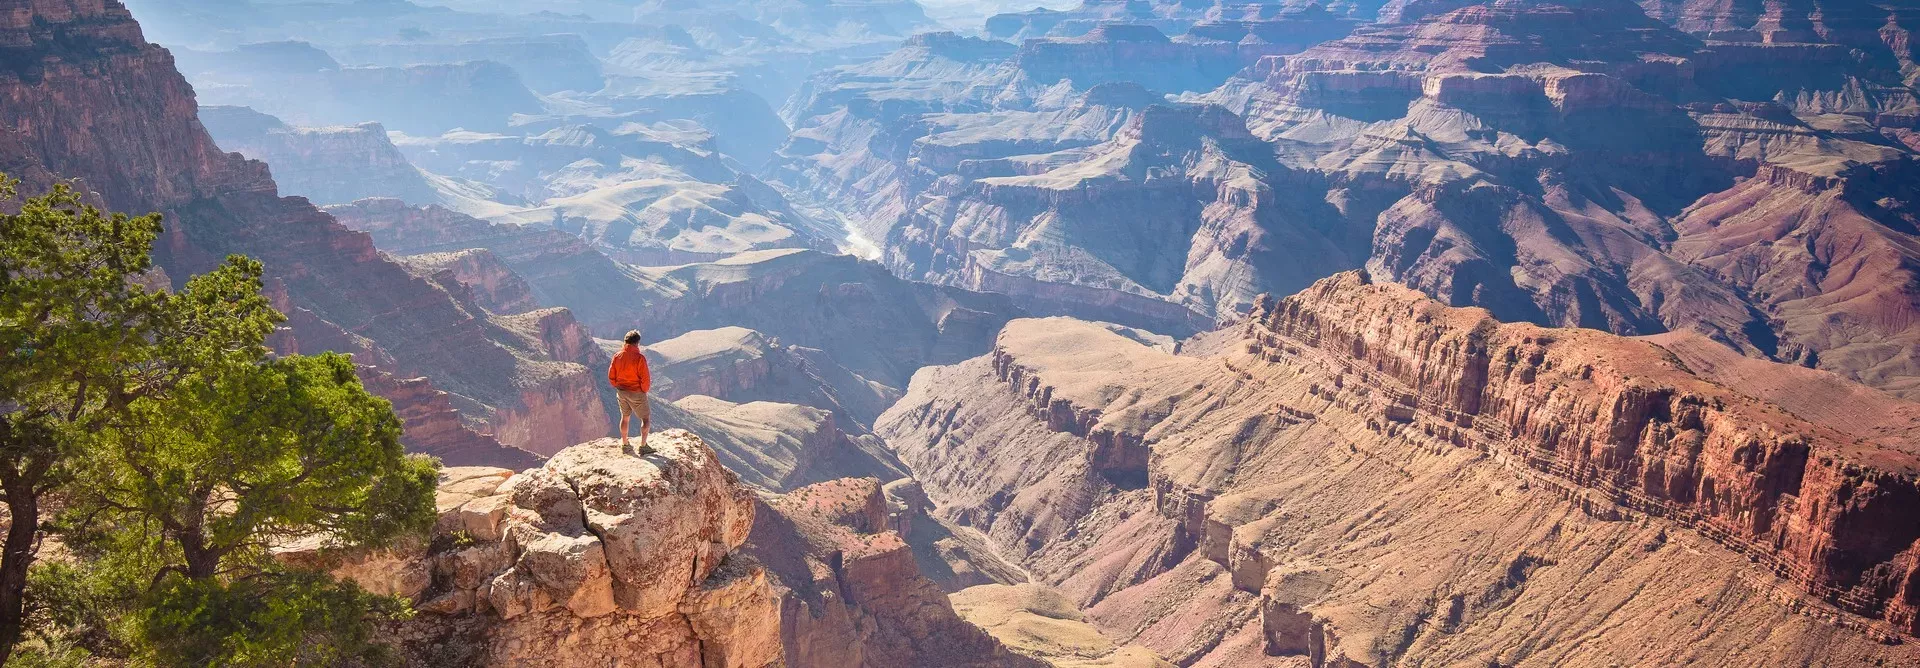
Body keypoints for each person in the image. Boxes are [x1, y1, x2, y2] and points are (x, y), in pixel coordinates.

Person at [608, 329, 653, 455]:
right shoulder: (639, 358)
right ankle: (643, 446)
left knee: (625, 417)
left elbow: (611, 375)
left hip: (622, 391)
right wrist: (643, 390)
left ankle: (625, 443)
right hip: (636, 392)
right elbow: (645, 379)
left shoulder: (617, 356)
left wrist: (617, 385)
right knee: (645, 419)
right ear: (637, 343)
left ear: (625, 341)